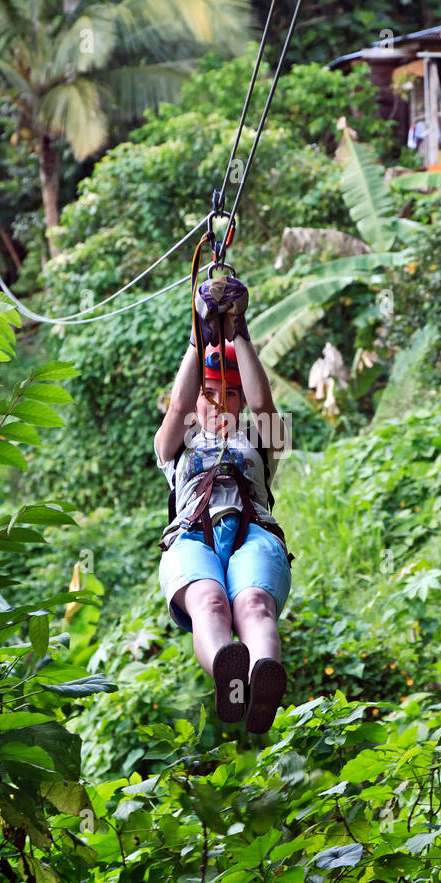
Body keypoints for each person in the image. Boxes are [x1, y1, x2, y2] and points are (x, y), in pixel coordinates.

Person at [154, 298, 292, 733]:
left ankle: (263, 678)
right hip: (192, 537)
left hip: (254, 533)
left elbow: (264, 403)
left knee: (253, 603)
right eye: (209, 395)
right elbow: (177, 409)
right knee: (210, 602)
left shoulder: (261, 438)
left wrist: (239, 333)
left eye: (230, 394)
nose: (220, 403)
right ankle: (228, 675)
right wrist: (201, 337)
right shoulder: (177, 446)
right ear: (198, 402)